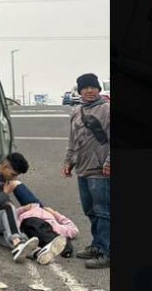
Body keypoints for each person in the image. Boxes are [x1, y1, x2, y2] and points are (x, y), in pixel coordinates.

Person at [63, 73, 110, 269]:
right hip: (82, 168)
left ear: (99, 89)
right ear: (79, 91)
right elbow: (72, 139)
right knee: (90, 210)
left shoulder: (106, 110)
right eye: (85, 87)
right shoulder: (76, 111)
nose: (90, 91)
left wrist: (109, 161)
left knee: (104, 212)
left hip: (101, 169)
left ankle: (107, 252)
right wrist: (68, 162)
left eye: (93, 87)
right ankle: (97, 245)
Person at [0, 153, 40, 263]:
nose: (14, 178)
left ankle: (35, 253)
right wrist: (5, 193)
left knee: (20, 236)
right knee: (8, 209)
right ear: (4, 167)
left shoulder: (3, 175)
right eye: (13, 174)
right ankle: (17, 244)